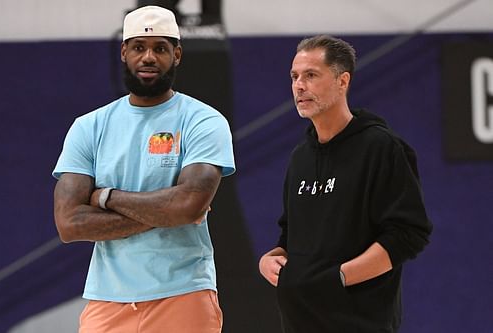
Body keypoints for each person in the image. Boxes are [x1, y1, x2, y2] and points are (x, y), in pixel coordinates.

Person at [52, 6, 234, 333]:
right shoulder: (88, 127)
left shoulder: (203, 121)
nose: (148, 57)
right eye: (138, 47)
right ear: (124, 52)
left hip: (184, 293)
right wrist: (167, 212)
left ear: (177, 55)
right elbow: (69, 224)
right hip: (107, 300)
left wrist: (106, 196)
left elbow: (188, 204)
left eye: (160, 48)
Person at [258, 35, 433, 333]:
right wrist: (271, 260)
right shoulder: (300, 156)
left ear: (343, 81)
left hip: (361, 323)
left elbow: (408, 234)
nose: (299, 86)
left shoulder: (381, 148)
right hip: (300, 323)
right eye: (295, 77)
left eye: (311, 75)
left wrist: (339, 277)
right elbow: (291, 235)